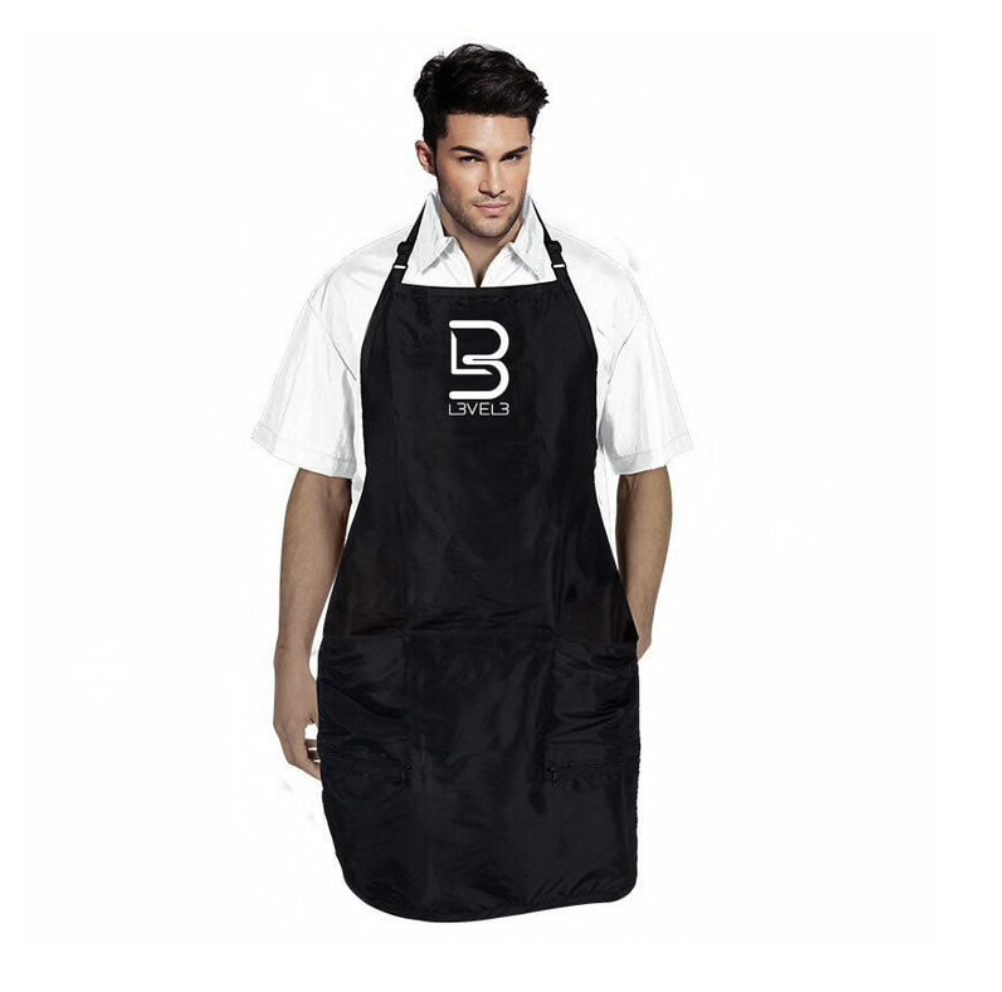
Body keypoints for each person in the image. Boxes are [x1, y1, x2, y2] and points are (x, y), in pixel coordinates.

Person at [250, 42, 693, 922]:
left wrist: (630, 624)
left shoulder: (602, 291)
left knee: (570, 887)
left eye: (514, 156)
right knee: (404, 887)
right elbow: (323, 486)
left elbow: (646, 468)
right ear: (428, 156)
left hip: (556, 666)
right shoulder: (353, 291)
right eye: (470, 158)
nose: (496, 184)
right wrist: (288, 661)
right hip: (406, 662)